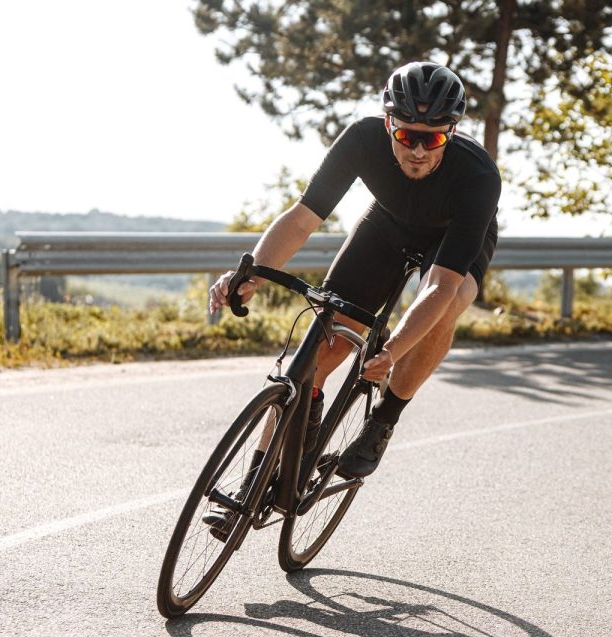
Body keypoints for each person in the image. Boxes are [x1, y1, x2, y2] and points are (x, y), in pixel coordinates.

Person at [209, 61, 501, 480]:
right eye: (405, 135)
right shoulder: (362, 139)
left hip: (453, 235)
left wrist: (392, 352)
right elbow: (302, 219)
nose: (418, 150)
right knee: (325, 337)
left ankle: (384, 419)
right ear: (387, 124)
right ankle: (258, 474)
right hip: (388, 222)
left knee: (451, 302)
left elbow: (438, 285)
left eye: (432, 138)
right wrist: (252, 273)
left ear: (452, 132)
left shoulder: (478, 176)